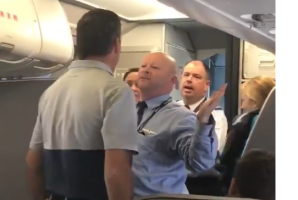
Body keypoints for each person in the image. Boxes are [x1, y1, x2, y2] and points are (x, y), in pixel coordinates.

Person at [25, 9, 138, 200]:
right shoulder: (115, 91)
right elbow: (115, 172)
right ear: (116, 44)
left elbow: (33, 163)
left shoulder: (51, 92)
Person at [132, 52, 226, 197]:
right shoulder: (129, 111)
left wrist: (203, 120)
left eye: (155, 67)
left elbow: (200, 163)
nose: (145, 70)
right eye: (143, 66)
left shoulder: (181, 117)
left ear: (172, 81)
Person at [220, 76, 275, 190]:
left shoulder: (242, 124)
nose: (241, 106)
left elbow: (227, 161)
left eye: (243, 101)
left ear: (254, 103)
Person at [178, 60, 228, 153]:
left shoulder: (216, 117)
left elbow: (209, 154)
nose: (189, 79)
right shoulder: (171, 109)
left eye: (196, 77)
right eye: (186, 74)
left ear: (206, 85)